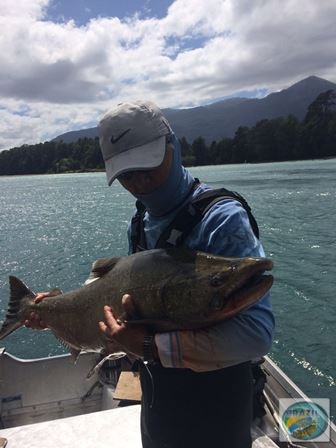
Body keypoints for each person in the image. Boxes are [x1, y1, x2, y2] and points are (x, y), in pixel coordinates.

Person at [27, 100, 274, 448]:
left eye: (147, 166)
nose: (140, 183)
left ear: (173, 145)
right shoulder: (140, 223)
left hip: (218, 411)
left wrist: (147, 345)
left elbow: (256, 334)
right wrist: (57, 310)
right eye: (127, 175)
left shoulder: (222, 220)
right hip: (158, 405)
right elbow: (115, 297)